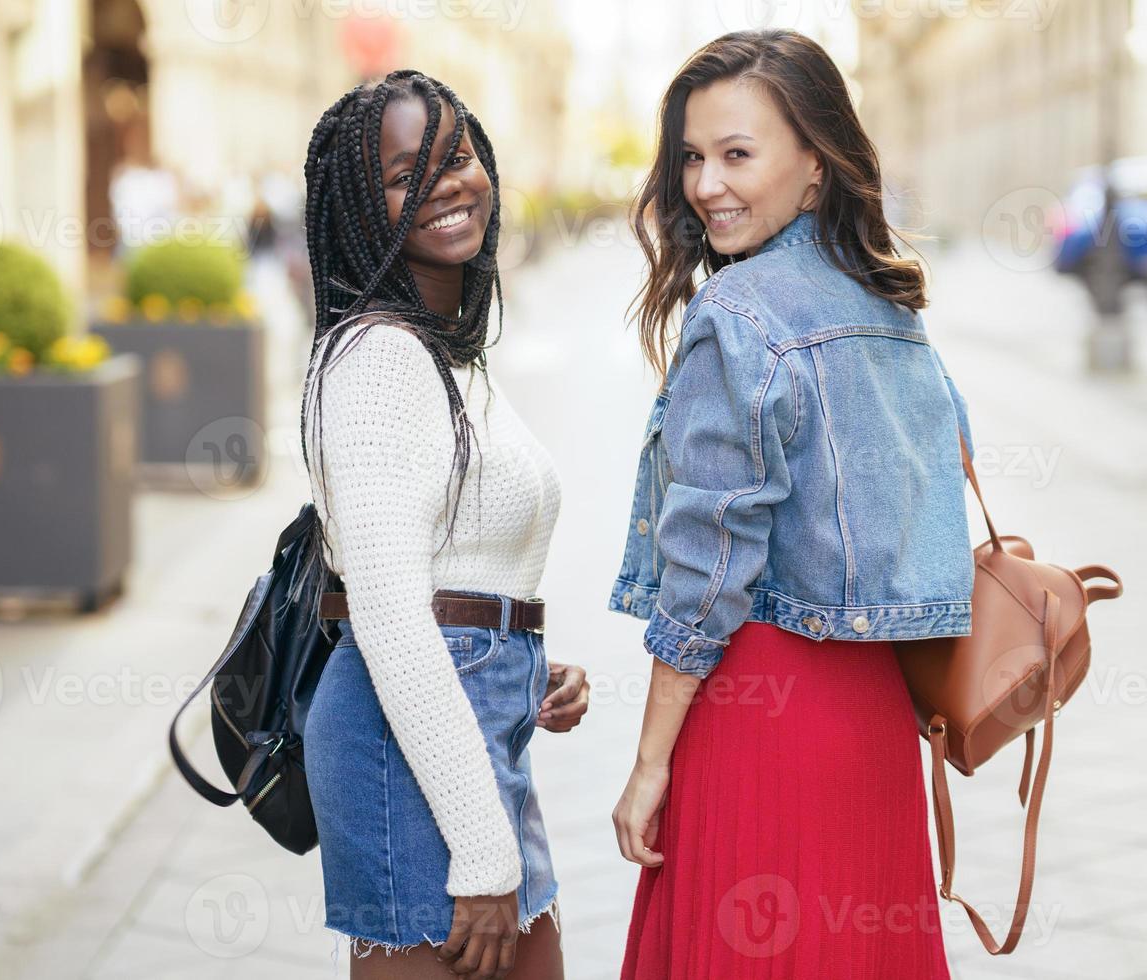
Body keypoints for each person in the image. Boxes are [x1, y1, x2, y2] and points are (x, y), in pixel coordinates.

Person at [608, 29, 976, 978]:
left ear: (816, 166)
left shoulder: (738, 316)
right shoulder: (891, 309)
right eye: (692, 156)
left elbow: (707, 574)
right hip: (871, 727)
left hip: (758, 718)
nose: (705, 185)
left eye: (738, 154)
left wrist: (650, 765)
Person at [294, 69, 588, 979]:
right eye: (400, 174)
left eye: (456, 154)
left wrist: (522, 654)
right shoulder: (379, 360)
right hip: (405, 748)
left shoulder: (447, 352)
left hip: (470, 727)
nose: (444, 181)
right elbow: (388, 617)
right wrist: (484, 857)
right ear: (358, 204)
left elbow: (461, 563)